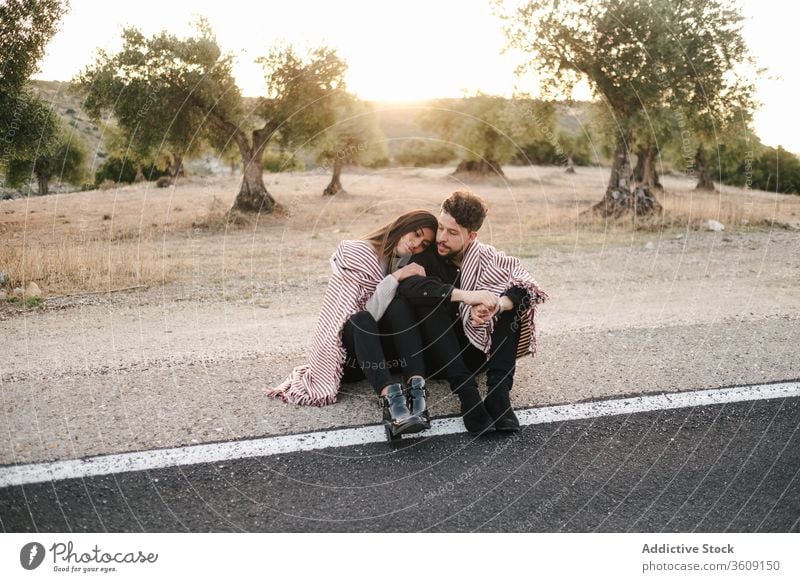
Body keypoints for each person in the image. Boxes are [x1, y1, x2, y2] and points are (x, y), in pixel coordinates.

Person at [267, 210, 438, 438]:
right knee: (361, 319)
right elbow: (355, 315)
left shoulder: (400, 262)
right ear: (402, 225)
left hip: (376, 358)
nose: (415, 244)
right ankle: (393, 405)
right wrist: (395, 278)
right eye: (415, 234)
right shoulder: (358, 253)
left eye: (423, 243)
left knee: (399, 307)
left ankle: (418, 396)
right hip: (346, 358)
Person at [398, 191, 548, 434]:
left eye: (453, 233)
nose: (441, 238)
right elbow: (408, 287)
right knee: (430, 299)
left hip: (476, 353)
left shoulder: (486, 257)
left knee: (511, 305)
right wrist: (467, 296)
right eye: (441, 228)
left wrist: (495, 305)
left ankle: (499, 395)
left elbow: (525, 288)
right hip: (438, 357)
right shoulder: (426, 256)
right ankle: (468, 396)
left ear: (472, 235)